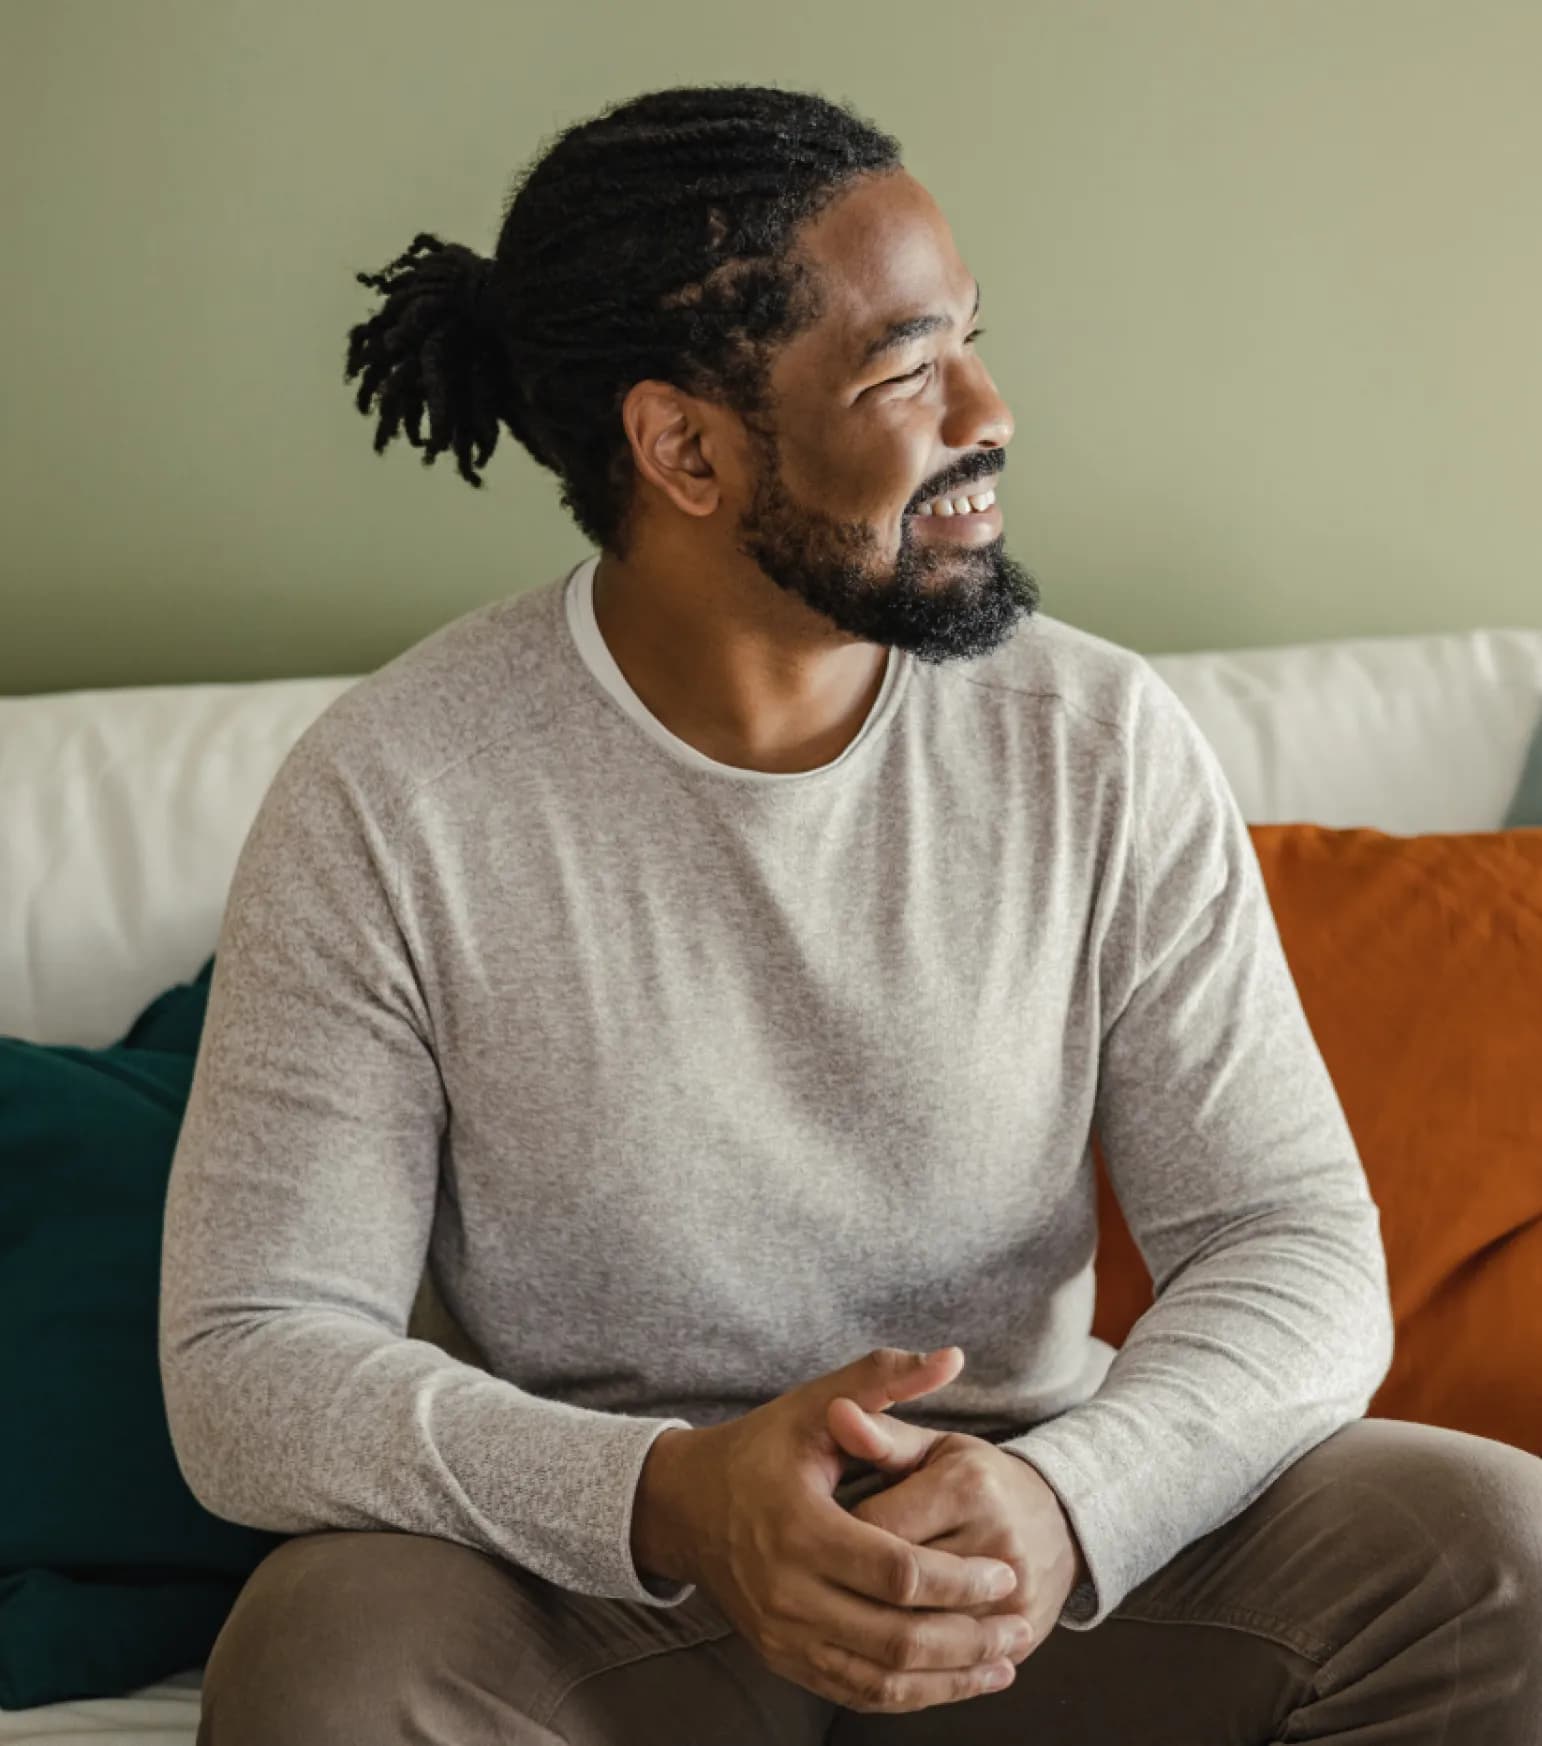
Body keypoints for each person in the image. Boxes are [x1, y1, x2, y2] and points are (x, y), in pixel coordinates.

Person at [159, 82, 1542, 1745]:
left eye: (968, 339)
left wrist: (1075, 1498)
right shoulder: (392, 792)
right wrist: (675, 1496)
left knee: (1499, 1560)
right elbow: (249, 1357)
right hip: (608, 1583)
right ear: (684, 447)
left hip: (1020, 1545)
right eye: (905, 367)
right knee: (325, 1662)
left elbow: (1290, 1243)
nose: (989, 409)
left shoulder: (1093, 741)